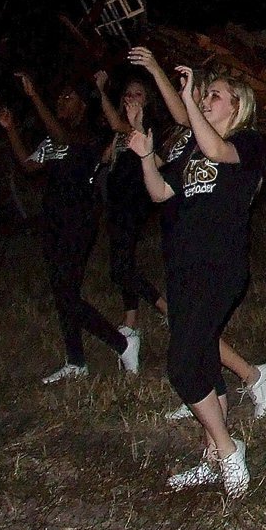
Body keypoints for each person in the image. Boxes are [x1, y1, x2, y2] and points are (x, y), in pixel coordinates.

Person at [128, 66, 264, 498]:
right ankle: (210, 457)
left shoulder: (247, 143)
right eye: (205, 97)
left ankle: (227, 449)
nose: (206, 101)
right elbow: (160, 194)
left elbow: (217, 149)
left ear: (238, 105)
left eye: (215, 96)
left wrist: (188, 99)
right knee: (202, 358)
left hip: (219, 268)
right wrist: (147, 156)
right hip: (184, 269)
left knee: (182, 364)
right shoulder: (191, 151)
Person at [0, 74, 140, 383]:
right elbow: (27, 164)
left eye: (67, 98)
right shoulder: (53, 138)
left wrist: (34, 97)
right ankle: (76, 360)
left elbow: (63, 139)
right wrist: (10, 129)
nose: (61, 102)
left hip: (79, 218)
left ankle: (122, 343)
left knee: (66, 293)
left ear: (83, 104)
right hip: (53, 219)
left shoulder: (89, 134)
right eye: (58, 98)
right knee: (63, 291)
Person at [94, 70, 165, 334]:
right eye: (127, 94)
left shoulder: (147, 126)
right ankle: (131, 319)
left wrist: (101, 91)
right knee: (123, 260)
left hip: (135, 200)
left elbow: (153, 156)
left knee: (120, 267)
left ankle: (165, 308)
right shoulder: (121, 131)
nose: (131, 98)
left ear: (147, 100)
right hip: (115, 199)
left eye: (137, 94)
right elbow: (106, 157)